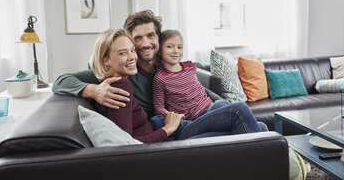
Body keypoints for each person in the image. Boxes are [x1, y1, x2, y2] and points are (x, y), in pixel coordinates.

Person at [52, 9, 267, 139]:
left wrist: (221, 106)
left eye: (151, 36)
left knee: (259, 126)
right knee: (245, 118)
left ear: (159, 39)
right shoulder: (122, 73)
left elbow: (197, 89)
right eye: (138, 38)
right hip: (168, 129)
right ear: (129, 41)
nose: (145, 44)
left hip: (191, 120)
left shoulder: (164, 65)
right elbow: (61, 81)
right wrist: (93, 90)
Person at [150, 30, 267, 139]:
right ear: (160, 50)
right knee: (242, 110)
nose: (176, 51)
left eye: (179, 47)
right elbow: (158, 107)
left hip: (210, 109)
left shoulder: (190, 66)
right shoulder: (160, 77)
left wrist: (215, 100)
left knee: (262, 126)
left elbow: (198, 88)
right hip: (194, 120)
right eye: (170, 47)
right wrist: (172, 116)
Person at [88, 28, 184, 143]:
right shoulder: (121, 86)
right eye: (123, 53)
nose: (132, 57)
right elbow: (126, 143)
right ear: (106, 60)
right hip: (158, 150)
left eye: (132, 50)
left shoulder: (109, 85)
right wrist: (168, 128)